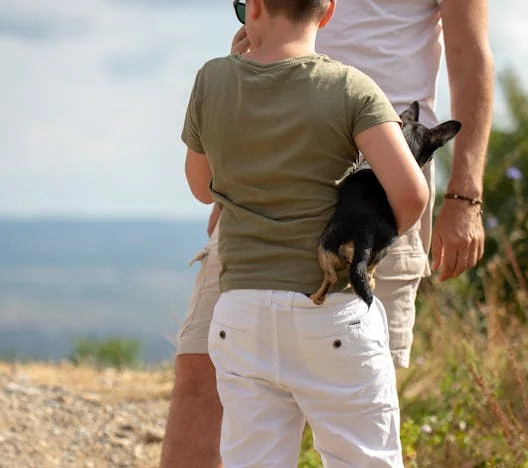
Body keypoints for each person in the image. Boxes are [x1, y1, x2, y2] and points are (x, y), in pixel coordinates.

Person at [159, 0, 493, 464]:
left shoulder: (211, 79)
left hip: (349, 186)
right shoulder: (357, 89)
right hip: (375, 184)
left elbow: (469, 51)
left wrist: (465, 195)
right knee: (355, 435)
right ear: (328, 11)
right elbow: (413, 199)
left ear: (252, 8)